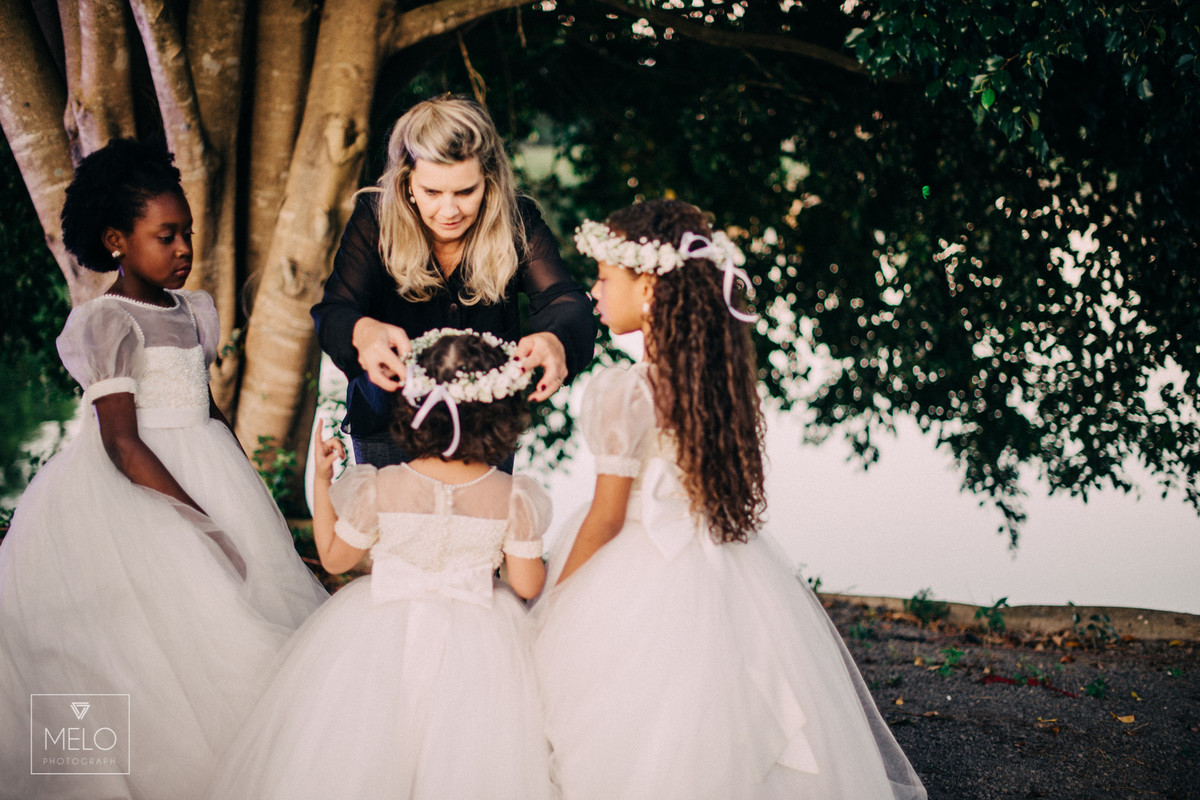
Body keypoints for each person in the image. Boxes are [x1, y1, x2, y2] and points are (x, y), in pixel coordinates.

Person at [533, 199, 928, 800]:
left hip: (636, 563)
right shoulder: (712, 382)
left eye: (606, 278)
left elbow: (607, 518)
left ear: (649, 289)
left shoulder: (625, 393)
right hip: (724, 560)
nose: (594, 292)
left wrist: (553, 599)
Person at [0, 138, 327, 800]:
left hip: (206, 465)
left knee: (241, 613)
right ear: (117, 241)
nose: (183, 249)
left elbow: (206, 410)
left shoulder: (193, 309)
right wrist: (203, 523)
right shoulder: (107, 321)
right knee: (147, 636)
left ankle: (257, 764)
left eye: (188, 234)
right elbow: (122, 443)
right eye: (166, 236)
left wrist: (243, 500)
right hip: (138, 489)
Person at [205, 329, 557, 799]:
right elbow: (528, 585)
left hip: (379, 626)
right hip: (482, 637)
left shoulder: (380, 486)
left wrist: (322, 482)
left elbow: (334, 558)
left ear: (412, 404)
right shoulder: (513, 496)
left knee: (363, 746)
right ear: (500, 411)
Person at [312, 95, 596, 467]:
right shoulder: (374, 220)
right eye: (432, 192)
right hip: (388, 428)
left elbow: (563, 300)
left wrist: (556, 339)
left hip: (487, 430)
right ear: (407, 182)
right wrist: (360, 331)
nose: (449, 211)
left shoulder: (518, 222)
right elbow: (336, 310)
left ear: (489, 181)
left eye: (465, 192)